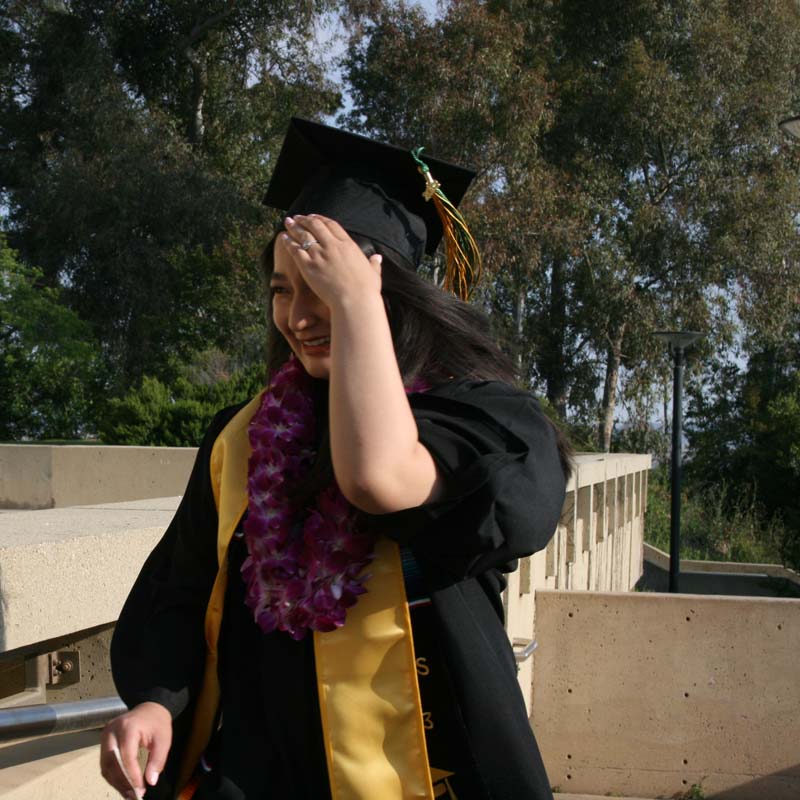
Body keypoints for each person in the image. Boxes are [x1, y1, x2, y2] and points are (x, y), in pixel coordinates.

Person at [100, 117, 572, 800]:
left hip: (432, 771)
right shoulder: (244, 439)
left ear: (392, 291)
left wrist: (357, 305)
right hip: (262, 774)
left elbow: (379, 477)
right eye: (281, 289)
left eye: (321, 285)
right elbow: (186, 589)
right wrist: (156, 702)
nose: (298, 316)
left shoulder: (483, 421)